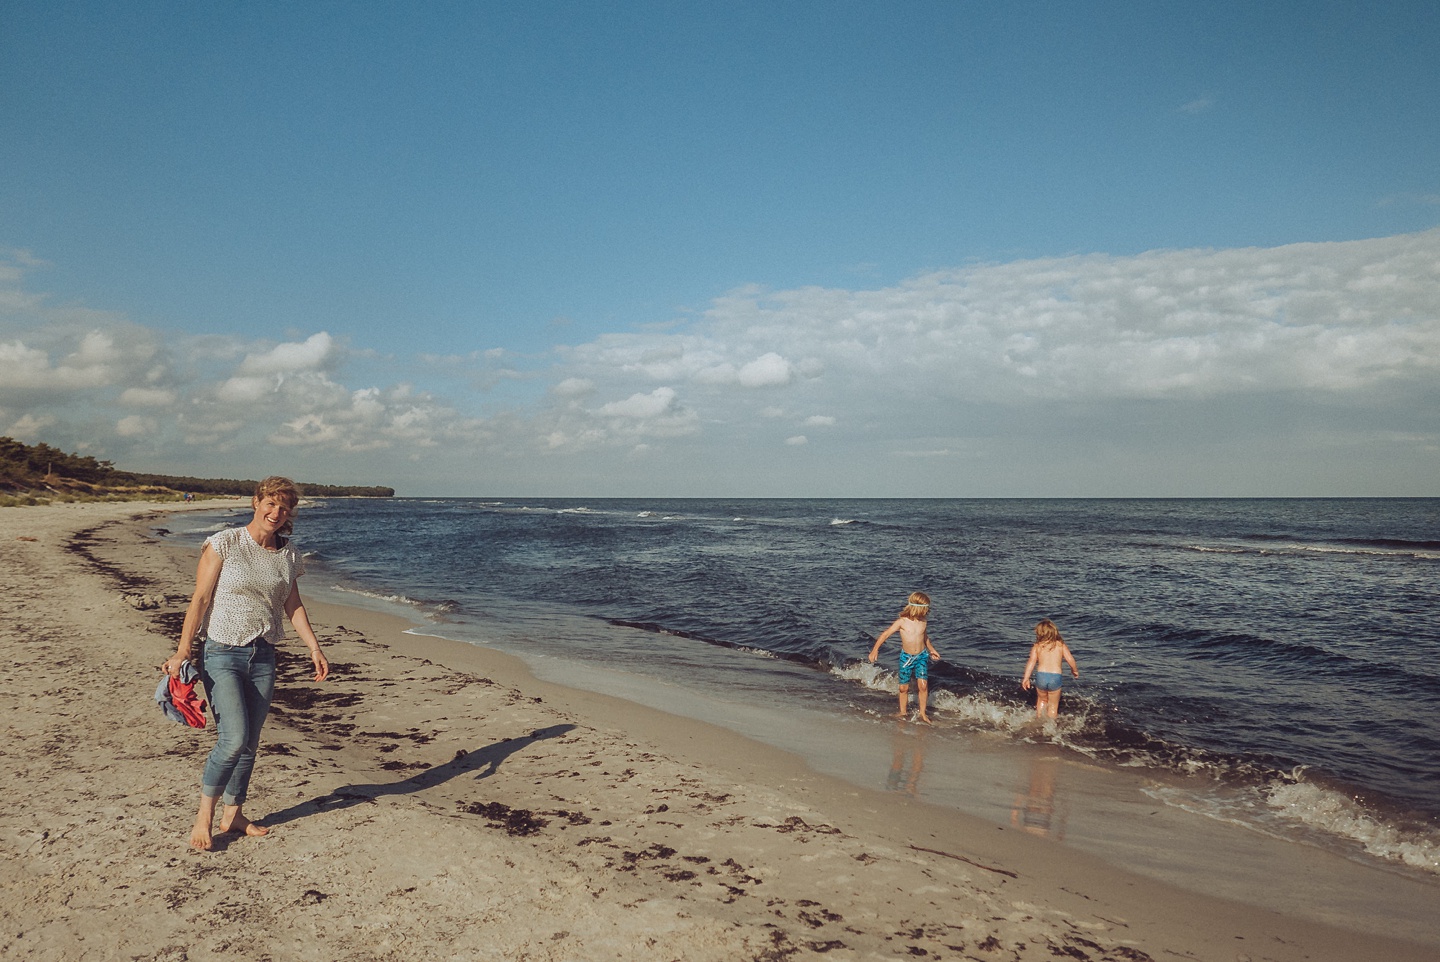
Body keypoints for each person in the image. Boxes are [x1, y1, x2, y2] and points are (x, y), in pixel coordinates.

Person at [161, 476, 330, 850]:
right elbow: (201, 599)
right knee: (233, 737)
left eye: (284, 507)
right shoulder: (225, 543)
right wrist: (182, 650)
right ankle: (204, 816)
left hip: (264, 653)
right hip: (221, 652)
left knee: (250, 742)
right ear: (256, 502)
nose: (276, 512)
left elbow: (292, 604)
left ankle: (233, 813)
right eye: (270, 503)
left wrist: (313, 647)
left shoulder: (288, 553)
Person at [868, 591, 942, 724]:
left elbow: (925, 638)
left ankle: (923, 714)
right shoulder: (902, 622)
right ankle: (903, 711)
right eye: (926, 609)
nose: (927, 611)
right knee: (904, 688)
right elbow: (885, 635)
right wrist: (875, 650)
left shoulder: (923, 622)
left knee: (923, 686)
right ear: (917, 608)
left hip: (921, 656)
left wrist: (932, 650)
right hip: (906, 658)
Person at [1021, 618, 1079, 719]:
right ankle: (1051, 727)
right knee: (1053, 705)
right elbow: (1070, 659)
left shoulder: (1037, 646)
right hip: (1055, 677)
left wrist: (1026, 678)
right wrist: (1074, 670)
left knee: (1042, 700)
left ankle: (1039, 720)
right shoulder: (1060, 645)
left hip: (1041, 676)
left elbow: (1031, 662)